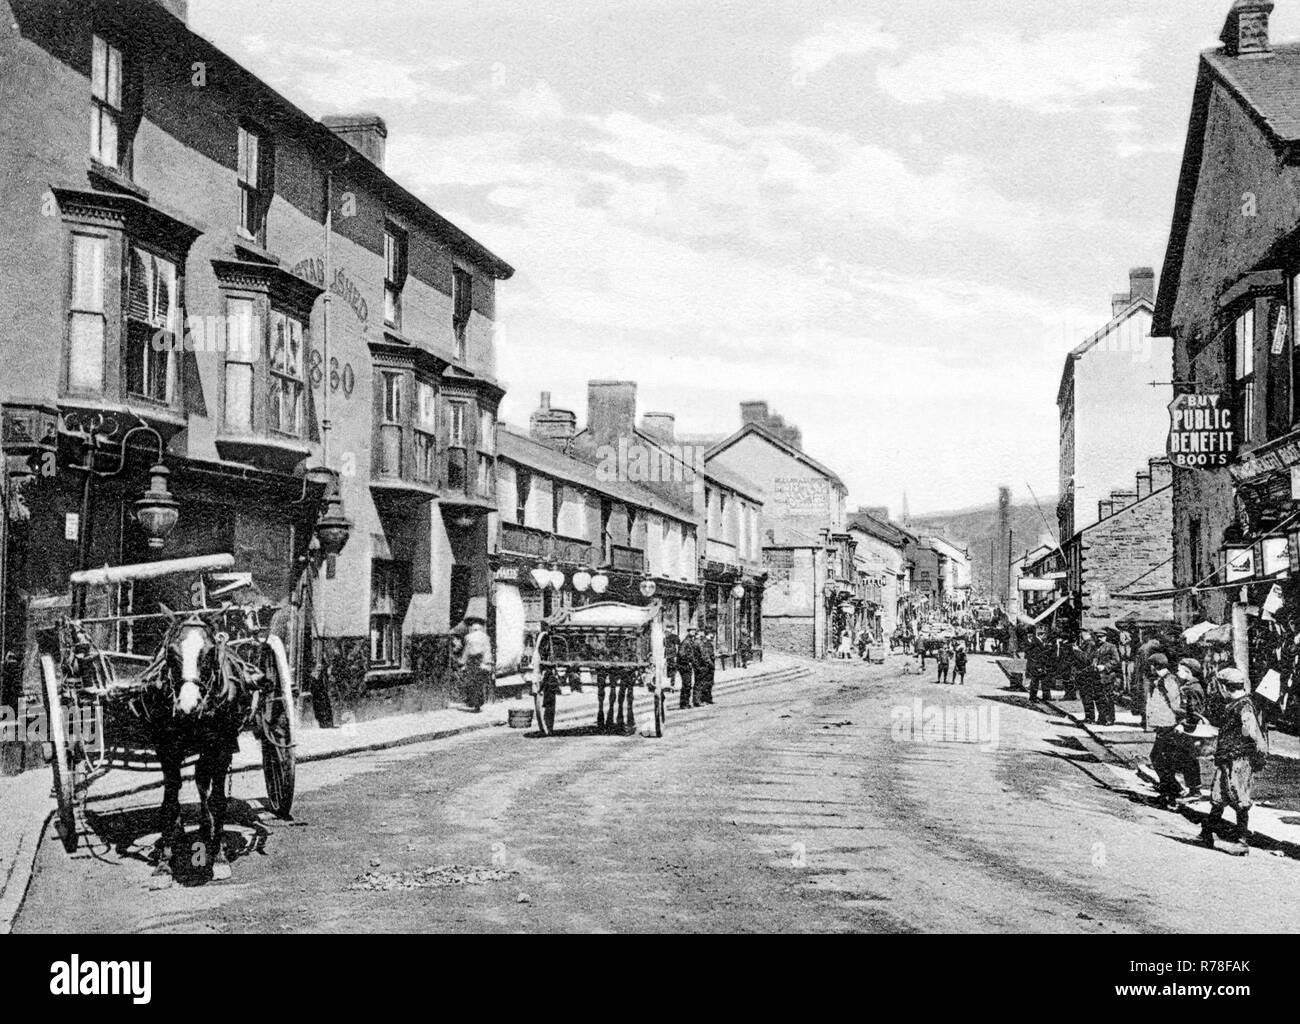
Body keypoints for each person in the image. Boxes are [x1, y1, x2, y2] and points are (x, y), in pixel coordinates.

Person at [1200, 668, 1267, 855]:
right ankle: (1207, 832)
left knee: (1240, 798)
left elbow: (1251, 732)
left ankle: (1242, 841)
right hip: (1228, 758)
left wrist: (1259, 754)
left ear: (1223, 687)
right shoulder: (1234, 704)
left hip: (1239, 760)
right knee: (1218, 795)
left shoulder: (1244, 706)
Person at [1145, 654, 1182, 808]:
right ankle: (1167, 792)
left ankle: (1171, 793)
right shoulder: (1161, 681)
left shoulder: (1168, 681)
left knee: (1161, 759)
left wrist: (1179, 721)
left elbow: (1175, 703)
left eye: (1151, 665)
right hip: (1163, 724)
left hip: (1169, 724)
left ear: (1155, 666)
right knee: (1160, 758)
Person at [1174, 658, 1207, 799]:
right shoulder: (1188, 686)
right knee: (1185, 758)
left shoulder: (1193, 689)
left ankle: (1195, 790)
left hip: (1190, 729)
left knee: (1190, 759)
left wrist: (1183, 724)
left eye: (1179, 670)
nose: (1177, 672)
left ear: (1188, 671)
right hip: (1186, 728)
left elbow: (1195, 712)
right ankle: (1192, 789)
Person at [459, 615, 494, 713]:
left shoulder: (468, 637)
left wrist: (462, 662)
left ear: (472, 628)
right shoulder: (485, 637)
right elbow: (487, 650)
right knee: (480, 683)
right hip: (481, 661)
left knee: (472, 683)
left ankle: (473, 703)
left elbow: (466, 651)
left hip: (472, 662)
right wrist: (487, 663)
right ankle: (479, 703)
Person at [1093, 629, 1121, 726]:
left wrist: (1105, 666)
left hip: (1107, 677)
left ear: (1105, 637)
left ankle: (1110, 718)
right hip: (1096, 676)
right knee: (1098, 698)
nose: (1099, 638)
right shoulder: (1095, 647)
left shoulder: (1111, 647)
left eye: (1101, 636)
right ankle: (1101, 717)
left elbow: (1116, 660)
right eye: (1097, 637)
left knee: (1108, 698)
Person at [695, 631, 717, 704]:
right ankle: (704, 699)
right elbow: (705, 655)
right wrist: (710, 663)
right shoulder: (705, 643)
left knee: (710, 682)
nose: (713, 636)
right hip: (707, 665)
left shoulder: (708, 643)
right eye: (712, 634)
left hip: (709, 664)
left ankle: (708, 699)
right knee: (706, 683)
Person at [678, 629, 698, 709]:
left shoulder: (690, 641)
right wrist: (689, 660)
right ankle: (683, 703)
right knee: (686, 684)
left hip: (687, 666)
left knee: (688, 684)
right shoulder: (686, 642)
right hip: (684, 666)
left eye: (694, 631)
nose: (693, 633)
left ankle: (686, 702)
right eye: (692, 631)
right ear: (689, 632)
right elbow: (681, 654)